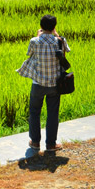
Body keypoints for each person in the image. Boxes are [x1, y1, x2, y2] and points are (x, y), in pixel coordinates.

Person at [16, 14, 70, 152]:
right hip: (54, 85)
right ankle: (51, 144)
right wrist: (57, 36)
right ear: (54, 27)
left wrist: (38, 36)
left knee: (34, 112)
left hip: (37, 84)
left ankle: (35, 142)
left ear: (41, 26)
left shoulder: (34, 41)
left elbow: (29, 53)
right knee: (53, 113)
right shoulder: (60, 41)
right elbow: (65, 54)